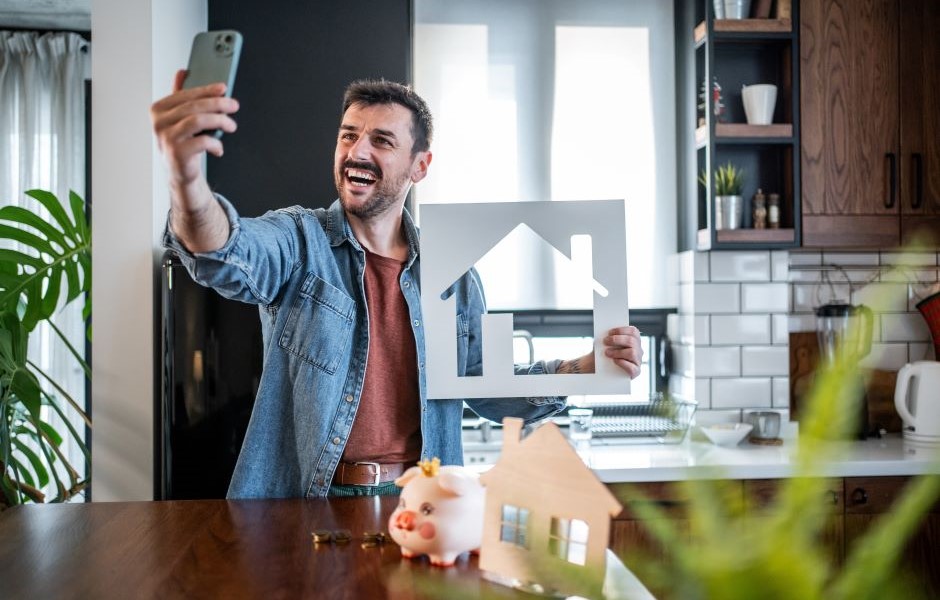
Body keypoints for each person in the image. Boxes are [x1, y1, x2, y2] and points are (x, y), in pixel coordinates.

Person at [151, 75, 643, 499]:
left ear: (420, 166)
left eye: (382, 140)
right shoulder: (300, 241)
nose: (357, 151)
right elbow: (223, 251)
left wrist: (583, 368)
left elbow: (487, 391)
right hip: (309, 505)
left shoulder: (454, 276)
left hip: (425, 503)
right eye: (348, 136)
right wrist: (185, 174)